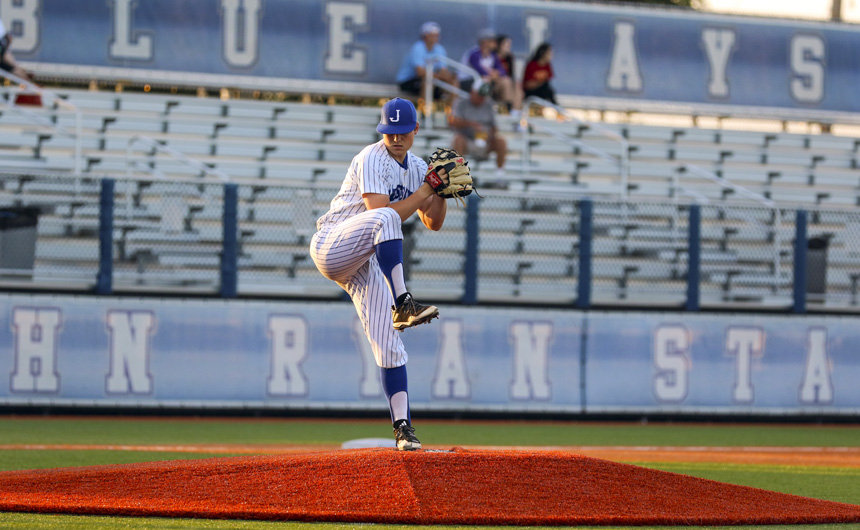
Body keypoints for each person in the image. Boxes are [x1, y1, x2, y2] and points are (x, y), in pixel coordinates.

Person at [309, 98, 450, 451]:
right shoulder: (371, 157)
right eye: (390, 132)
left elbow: (433, 222)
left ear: (415, 130)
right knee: (386, 216)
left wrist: (441, 193)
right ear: (382, 131)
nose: (397, 139)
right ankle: (404, 302)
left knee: (390, 345)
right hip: (332, 244)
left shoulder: (418, 167)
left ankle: (403, 430)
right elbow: (380, 211)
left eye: (403, 132)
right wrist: (425, 190)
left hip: (363, 262)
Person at [449, 82, 507, 179]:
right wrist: (471, 124)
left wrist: (489, 135)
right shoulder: (461, 103)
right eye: (479, 95)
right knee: (458, 139)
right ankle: (459, 172)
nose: (481, 99)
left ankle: (500, 173)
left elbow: (494, 127)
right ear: (472, 92)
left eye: (483, 96)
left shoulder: (489, 104)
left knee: (501, 141)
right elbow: (453, 122)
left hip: (485, 140)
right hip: (467, 140)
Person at [396, 22, 457, 102]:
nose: (435, 38)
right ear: (425, 36)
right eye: (432, 35)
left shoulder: (440, 49)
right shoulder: (417, 48)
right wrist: (439, 76)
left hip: (429, 80)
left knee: (453, 82)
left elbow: (443, 70)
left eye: (437, 35)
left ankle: (452, 109)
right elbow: (420, 72)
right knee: (428, 80)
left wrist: (449, 77)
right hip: (407, 81)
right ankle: (424, 108)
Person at [458, 28, 514, 113]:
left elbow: (502, 71)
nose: (495, 43)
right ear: (484, 42)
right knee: (485, 81)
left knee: (506, 81)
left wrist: (495, 74)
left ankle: (507, 108)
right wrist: (492, 75)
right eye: (492, 41)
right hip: (468, 81)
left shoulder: (492, 55)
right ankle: (485, 109)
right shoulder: (474, 54)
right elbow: (479, 71)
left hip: (485, 80)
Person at [495, 34, 522, 117]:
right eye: (507, 45)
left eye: (510, 45)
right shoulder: (493, 57)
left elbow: (511, 74)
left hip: (507, 82)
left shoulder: (509, 58)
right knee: (506, 82)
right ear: (499, 45)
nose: (509, 47)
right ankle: (508, 108)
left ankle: (515, 111)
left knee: (517, 85)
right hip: (495, 83)